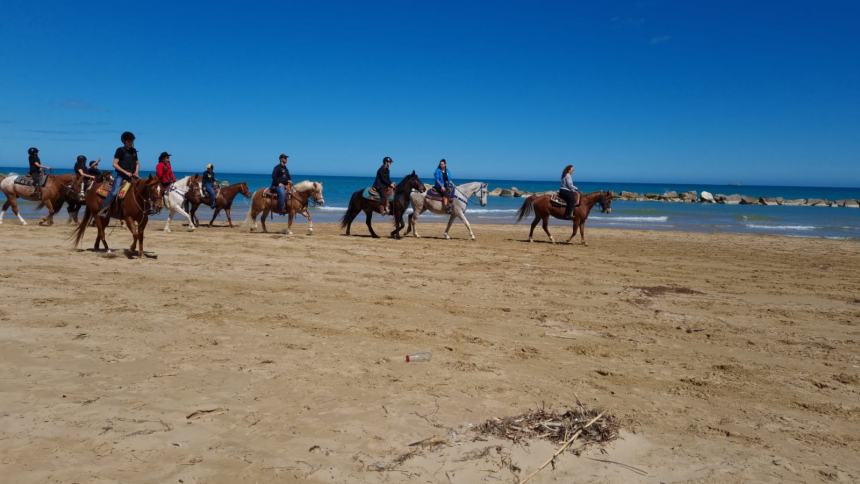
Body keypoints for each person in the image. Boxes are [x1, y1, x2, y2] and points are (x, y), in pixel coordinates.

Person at [98, 131, 139, 216]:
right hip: (121, 176)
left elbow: (137, 163)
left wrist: (136, 172)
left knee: (143, 188)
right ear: (125, 141)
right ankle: (103, 210)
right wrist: (126, 172)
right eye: (129, 141)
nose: (131, 142)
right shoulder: (120, 150)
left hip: (132, 176)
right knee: (114, 192)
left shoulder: (134, 151)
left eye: (132, 141)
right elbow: (114, 164)